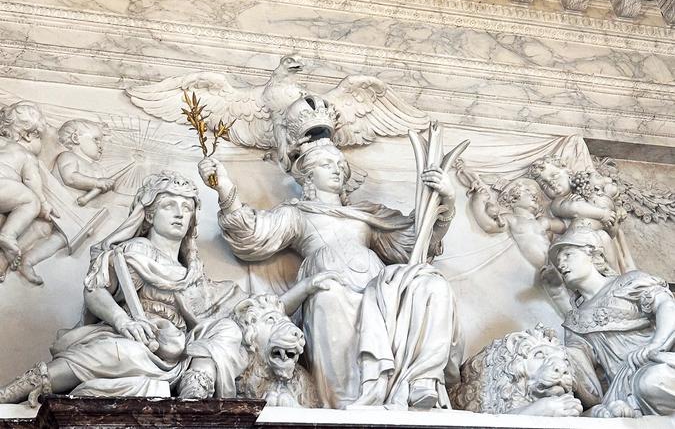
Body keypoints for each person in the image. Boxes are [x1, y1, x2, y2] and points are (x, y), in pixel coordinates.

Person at [0, 171, 338, 403]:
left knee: (228, 330)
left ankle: (197, 387)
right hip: (138, 339)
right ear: (148, 214)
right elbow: (96, 292)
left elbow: (255, 310)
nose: (179, 213)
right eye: (168, 205)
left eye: (186, 207)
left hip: (182, 352)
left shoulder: (194, 273)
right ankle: (20, 388)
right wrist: (125, 322)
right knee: (121, 353)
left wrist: (306, 287)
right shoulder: (131, 252)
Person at [199, 138, 464, 410]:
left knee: (431, 282)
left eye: (340, 164)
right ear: (309, 175)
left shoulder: (366, 214)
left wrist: (447, 200)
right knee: (329, 297)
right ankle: (346, 403)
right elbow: (253, 234)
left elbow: (416, 240)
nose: (337, 169)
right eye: (327, 164)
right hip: (330, 284)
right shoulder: (297, 214)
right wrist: (225, 188)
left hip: (378, 287)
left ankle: (421, 379)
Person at [550, 226, 675, 417]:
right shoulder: (575, 321)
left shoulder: (629, 282)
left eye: (568, 255)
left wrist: (656, 346)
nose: (561, 264)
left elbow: (667, 307)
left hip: (658, 364)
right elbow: (588, 381)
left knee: (653, 381)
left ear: (592, 253)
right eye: (558, 261)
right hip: (621, 389)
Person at [0, 102, 54, 278]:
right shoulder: (26, 155)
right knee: (31, 201)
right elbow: (31, 180)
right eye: (40, 138)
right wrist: (43, 204)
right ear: (28, 136)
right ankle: (8, 235)